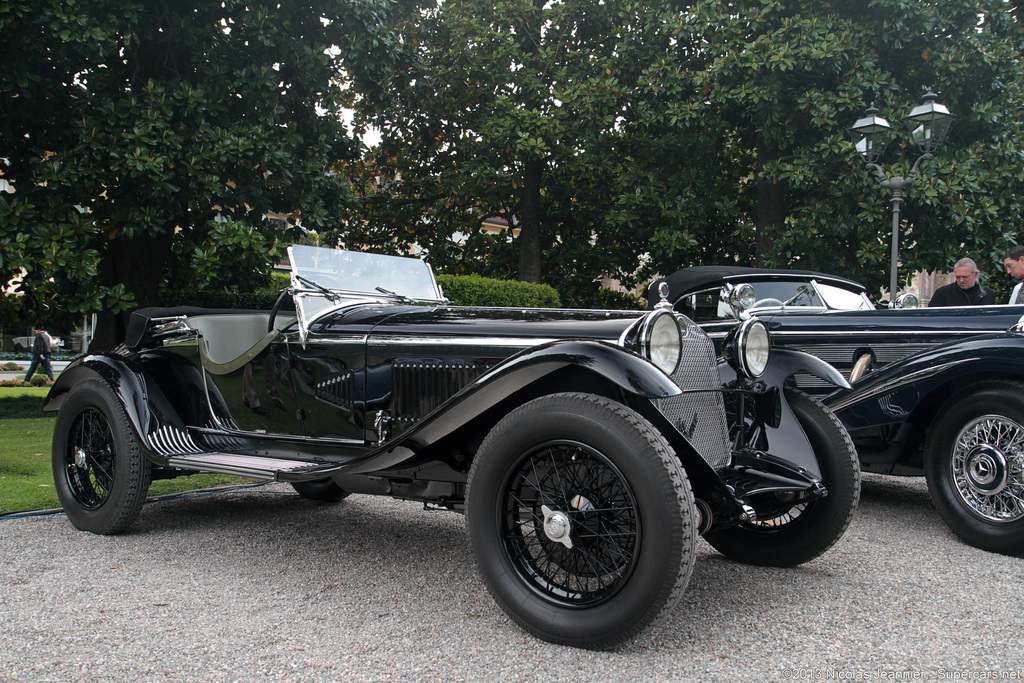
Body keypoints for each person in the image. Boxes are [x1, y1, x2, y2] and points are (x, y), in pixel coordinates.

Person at [928, 257, 996, 307]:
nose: (961, 280)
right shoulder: (942, 294)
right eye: (958, 277)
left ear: (975, 275)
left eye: (965, 277)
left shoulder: (988, 294)